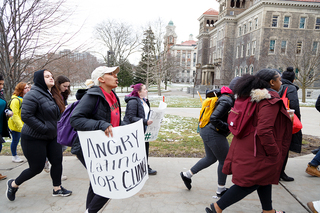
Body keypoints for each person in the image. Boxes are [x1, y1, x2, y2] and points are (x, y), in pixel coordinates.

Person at [205, 69, 292, 213]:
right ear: (271, 82)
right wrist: (275, 152)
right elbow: (264, 130)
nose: (281, 82)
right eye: (279, 79)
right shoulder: (269, 101)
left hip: (248, 145)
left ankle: (268, 210)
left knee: (263, 178)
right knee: (250, 182)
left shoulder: (250, 97)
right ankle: (217, 207)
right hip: (259, 150)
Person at [6, 69, 72, 201]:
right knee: (36, 168)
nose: (51, 78)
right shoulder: (33, 95)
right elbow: (26, 116)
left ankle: (57, 189)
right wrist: (44, 128)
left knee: (57, 162)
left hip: (52, 136)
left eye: (51, 76)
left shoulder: (52, 94)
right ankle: (13, 184)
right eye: (47, 76)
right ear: (40, 80)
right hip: (34, 138)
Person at [70, 66, 123, 213]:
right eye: (111, 74)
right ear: (101, 79)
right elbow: (75, 120)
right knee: (109, 182)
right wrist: (100, 124)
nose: (116, 76)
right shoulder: (92, 96)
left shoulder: (113, 95)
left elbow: (115, 121)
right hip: (88, 149)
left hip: (106, 147)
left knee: (97, 182)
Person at [180, 77, 239, 196]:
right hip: (213, 132)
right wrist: (229, 128)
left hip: (206, 129)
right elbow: (214, 118)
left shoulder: (225, 96)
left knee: (211, 158)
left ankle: (187, 175)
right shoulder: (227, 100)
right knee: (224, 160)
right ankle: (220, 190)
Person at [123, 83, 157, 175]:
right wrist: (145, 121)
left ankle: (145, 167)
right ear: (139, 92)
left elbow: (146, 113)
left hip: (144, 128)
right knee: (136, 150)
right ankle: (134, 169)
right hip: (134, 130)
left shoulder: (144, 100)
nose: (147, 91)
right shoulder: (133, 101)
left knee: (145, 147)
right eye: (145, 89)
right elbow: (131, 117)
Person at [44, 75, 71, 179]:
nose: (66, 88)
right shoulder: (51, 95)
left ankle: (46, 159)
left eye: (68, 86)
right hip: (54, 125)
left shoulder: (62, 95)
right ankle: (56, 173)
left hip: (61, 124)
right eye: (64, 86)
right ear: (58, 84)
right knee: (58, 152)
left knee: (63, 146)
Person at [278, 67, 302, 181]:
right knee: (285, 147)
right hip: (286, 121)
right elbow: (294, 106)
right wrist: (298, 119)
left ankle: (275, 172)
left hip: (276, 121)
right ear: (293, 79)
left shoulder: (278, 86)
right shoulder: (291, 88)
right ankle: (280, 173)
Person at [8, 82, 30, 163]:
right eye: (26, 88)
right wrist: (21, 127)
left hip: (25, 124)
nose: (28, 89)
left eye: (28, 87)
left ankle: (29, 156)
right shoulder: (16, 100)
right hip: (16, 126)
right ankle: (14, 156)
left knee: (26, 141)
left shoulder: (26, 98)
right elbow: (15, 115)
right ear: (21, 90)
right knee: (16, 140)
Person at [0, 74, 13, 180]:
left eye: (2, 84)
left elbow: (5, 106)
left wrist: (7, 112)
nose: (1, 86)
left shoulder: (1, 93)